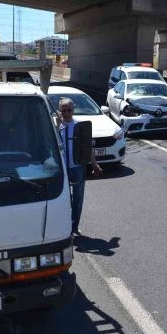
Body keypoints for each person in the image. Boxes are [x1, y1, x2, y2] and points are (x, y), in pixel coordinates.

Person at [57, 97, 102, 236]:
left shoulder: (79, 126)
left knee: (77, 198)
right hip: (61, 169)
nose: (67, 113)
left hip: (77, 167)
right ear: (60, 111)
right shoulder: (55, 126)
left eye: (69, 110)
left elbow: (86, 147)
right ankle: (63, 226)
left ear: (73, 110)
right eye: (64, 110)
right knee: (63, 199)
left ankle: (74, 226)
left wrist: (95, 165)